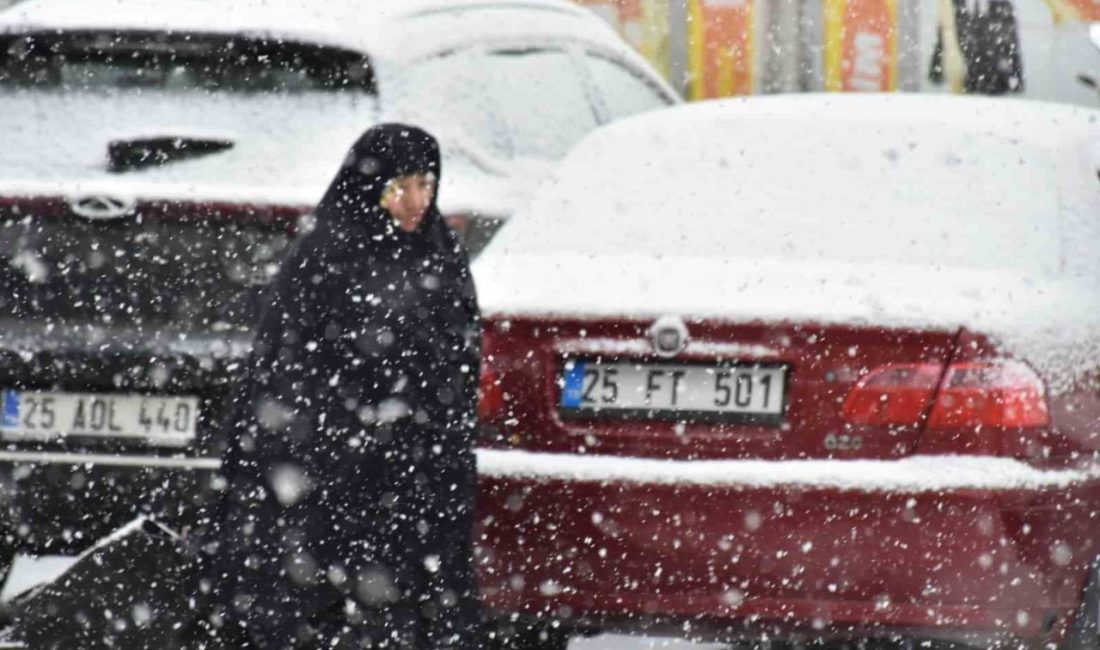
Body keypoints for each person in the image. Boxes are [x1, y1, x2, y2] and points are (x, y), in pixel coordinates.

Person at [204, 124, 482, 649]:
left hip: (415, 464)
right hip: (333, 465)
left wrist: (430, 427)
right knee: (318, 600)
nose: (415, 201)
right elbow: (288, 369)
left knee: (416, 599)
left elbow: (460, 352)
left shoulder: (438, 250)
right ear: (368, 188)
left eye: (426, 184)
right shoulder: (328, 253)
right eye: (398, 187)